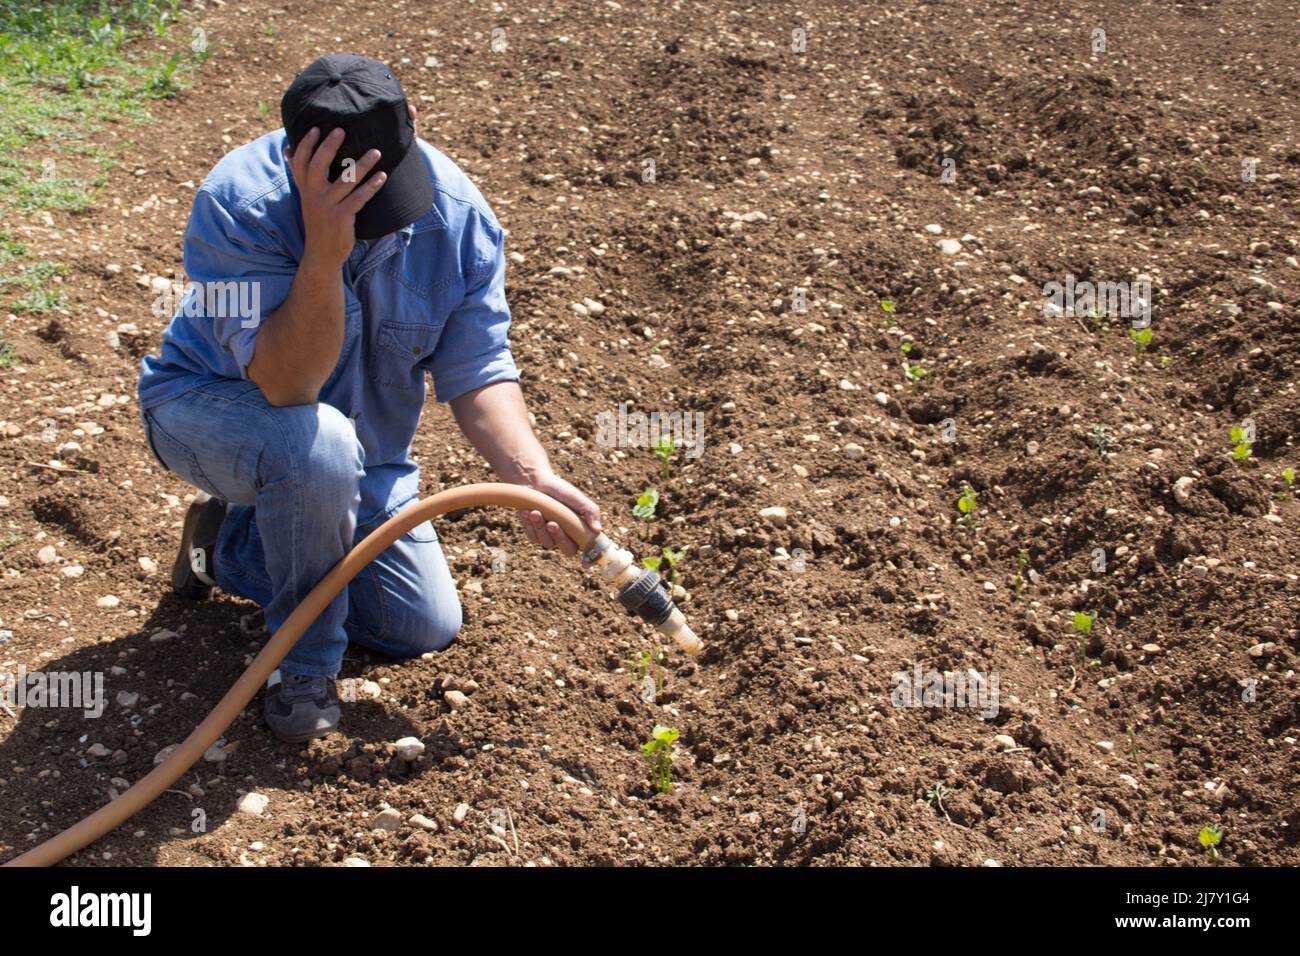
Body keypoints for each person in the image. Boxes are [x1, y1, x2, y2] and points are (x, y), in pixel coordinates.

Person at [136, 54, 601, 742]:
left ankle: (223, 544)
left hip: (361, 458)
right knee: (314, 441)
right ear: (296, 160)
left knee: (420, 624)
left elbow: (477, 369)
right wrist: (324, 252)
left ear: (412, 122)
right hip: (211, 413)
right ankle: (302, 669)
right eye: (356, 197)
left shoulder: (460, 217)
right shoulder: (241, 204)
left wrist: (531, 478)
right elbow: (287, 386)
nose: (378, 218)